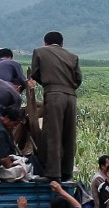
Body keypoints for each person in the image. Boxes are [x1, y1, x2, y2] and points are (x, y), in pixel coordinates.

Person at [26, 30, 82, 183]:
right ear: (62, 43)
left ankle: (52, 173)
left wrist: (49, 85)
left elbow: (36, 73)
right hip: (71, 96)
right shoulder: (72, 56)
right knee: (68, 134)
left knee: (53, 133)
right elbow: (78, 79)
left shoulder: (39, 52)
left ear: (46, 42)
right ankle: (66, 172)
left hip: (53, 94)